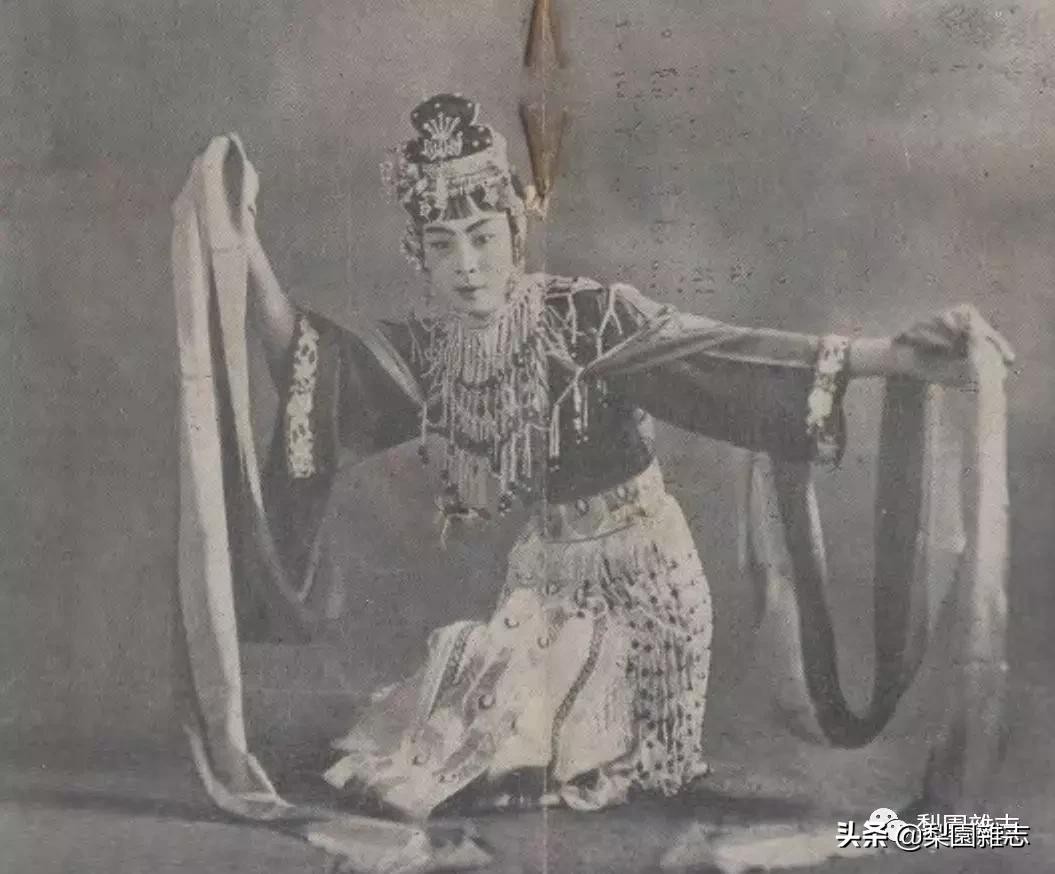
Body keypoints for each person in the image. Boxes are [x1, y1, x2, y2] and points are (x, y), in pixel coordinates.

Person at [241, 94, 1004, 819]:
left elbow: (727, 358)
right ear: (419, 257)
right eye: (443, 246)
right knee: (448, 733)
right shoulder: (438, 352)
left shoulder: (589, 321)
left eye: (482, 238)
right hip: (541, 587)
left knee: (544, 753)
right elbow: (317, 372)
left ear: (515, 232)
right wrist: (240, 242)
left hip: (643, 593)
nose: (466, 265)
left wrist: (895, 358)